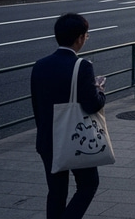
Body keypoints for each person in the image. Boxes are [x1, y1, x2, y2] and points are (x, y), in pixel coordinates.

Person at [31, 12, 106, 219]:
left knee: (56, 192)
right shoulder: (82, 66)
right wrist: (99, 90)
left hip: (48, 139)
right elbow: (92, 105)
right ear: (80, 37)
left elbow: (37, 105)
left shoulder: (40, 65)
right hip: (76, 139)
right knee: (88, 184)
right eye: (86, 36)